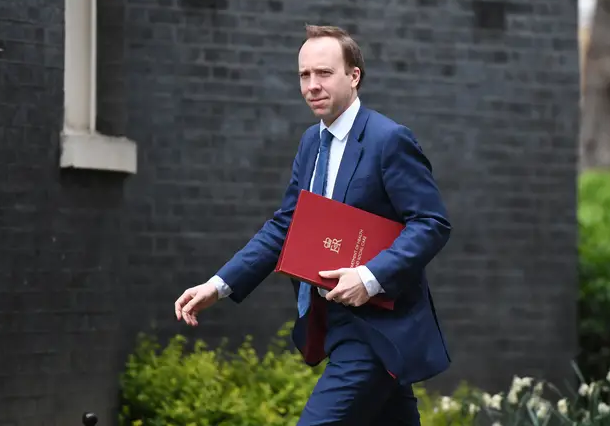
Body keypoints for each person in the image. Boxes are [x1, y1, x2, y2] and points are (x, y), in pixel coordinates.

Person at [174, 24, 452, 425]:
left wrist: (370, 276)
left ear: (353, 76)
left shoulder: (388, 140)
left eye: (324, 73)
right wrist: (218, 285)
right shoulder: (310, 143)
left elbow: (431, 223)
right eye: (305, 75)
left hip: (377, 330)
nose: (312, 85)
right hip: (334, 324)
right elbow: (286, 226)